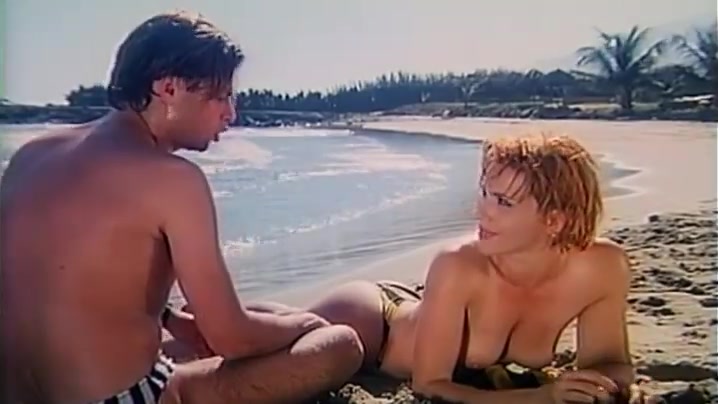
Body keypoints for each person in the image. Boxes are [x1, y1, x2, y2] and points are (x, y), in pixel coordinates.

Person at [0, 11, 363, 404]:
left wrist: (170, 319)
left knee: (254, 312)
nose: (230, 113)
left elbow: (64, 278)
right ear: (168, 88)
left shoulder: (31, 155)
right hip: (124, 399)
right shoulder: (173, 180)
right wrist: (308, 325)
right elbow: (231, 339)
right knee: (339, 343)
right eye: (220, 96)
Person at [307, 133, 638, 403]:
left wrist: (605, 387)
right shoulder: (458, 263)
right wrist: (541, 397)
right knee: (281, 344)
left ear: (554, 220)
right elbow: (428, 385)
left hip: (421, 305)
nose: (481, 211)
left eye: (503, 202)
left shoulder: (601, 267)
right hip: (373, 323)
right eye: (485, 194)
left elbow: (611, 364)